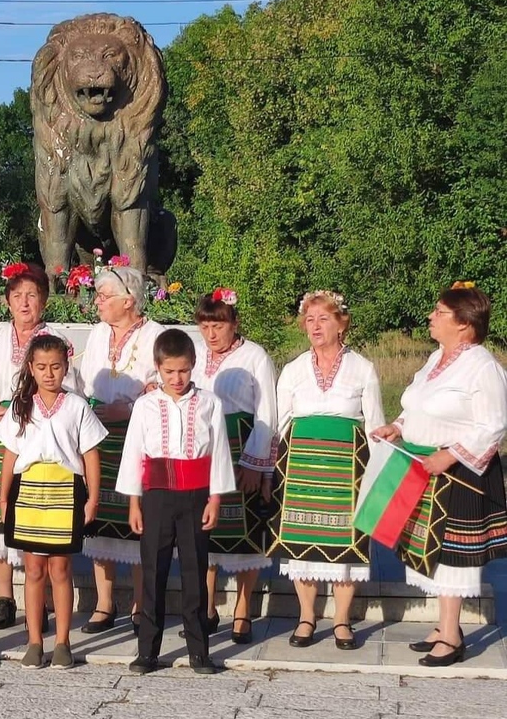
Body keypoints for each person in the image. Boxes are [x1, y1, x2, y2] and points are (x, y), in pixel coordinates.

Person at [371, 283, 507, 667]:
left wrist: (450, 455)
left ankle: (452, 635)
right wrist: (397, 427)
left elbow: (494, 424)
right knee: (428, 549)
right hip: (422, 468)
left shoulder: (483, 366)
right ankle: (445, 627)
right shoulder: (436, 359)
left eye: (440, 312)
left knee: (452, 555)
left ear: (464, 324)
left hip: (460, 474)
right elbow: (417, 406)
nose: (431, 317)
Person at [270, 290, 384, 650]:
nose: (315, 326)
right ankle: (307, 616)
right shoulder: (293, 369)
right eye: (309, 319)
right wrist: (269, 467)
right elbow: (279, 422)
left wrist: (377, 478)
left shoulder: (363, 368)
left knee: (346, 544)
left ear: (341, 323)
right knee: (301, 544)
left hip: (346, 467)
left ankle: (341, 620)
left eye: (323, 319)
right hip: (301, 465)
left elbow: (375, 424)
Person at [117, 328, 235, 675]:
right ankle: (147, 651)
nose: (177, 378)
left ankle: (199, 651)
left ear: (193, 365)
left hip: (196, 496)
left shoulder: (210, 403)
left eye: (183, 370)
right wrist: (134, 503)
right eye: (169, 371)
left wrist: (215, 498)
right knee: (153, 571)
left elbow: (219, 454)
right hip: (156, 496)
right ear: (158, 368)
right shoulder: (145, 405)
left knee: (195, 573)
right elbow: (134, 454)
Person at [0, 262, 79, 630]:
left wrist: (24, 407)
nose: (24, 302)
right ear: (7, 301)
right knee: (1, 512)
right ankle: (5, 596)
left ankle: (46, 601)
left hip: (39, 436)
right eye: (17, 296)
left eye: (32, 295)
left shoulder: (56, 340)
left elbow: (71, 386)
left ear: (44, 302)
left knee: (43, 519)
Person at [0, 335, 106, 669]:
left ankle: (62, 642)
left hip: (65, 491)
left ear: (65, 367)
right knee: (32, 568)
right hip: (29, 492)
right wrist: (3, 498)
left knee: (60, 567)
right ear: (31, 368)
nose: (48, 373)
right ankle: (33, 642)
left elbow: (90, 455)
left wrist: (93, 499)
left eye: (55, 366)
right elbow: (10, 455)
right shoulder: (21, 406)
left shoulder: (77, 406)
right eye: (41, 367)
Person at [78, 265, 165, 634]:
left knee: (138, 518)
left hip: (138, 436)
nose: (97, 301)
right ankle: (103, 602)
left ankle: (141, 604)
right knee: (99, 518)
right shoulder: (98, 334)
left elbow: (161, 384)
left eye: (104, 296)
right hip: (98, 435)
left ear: (128, 301)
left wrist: (128, 408)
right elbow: (82, 380)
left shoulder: (157, 334)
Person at [192, 289, 277, 644]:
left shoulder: (255, 356)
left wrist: (257, 464)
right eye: (206, 325)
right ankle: (206, 608)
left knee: (245, 534)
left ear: (234, 323)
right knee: (205, 529)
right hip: (204, 450)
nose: (211, 334)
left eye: (219, 325)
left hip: (241, 445)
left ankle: (243, 611)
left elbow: (268, 412)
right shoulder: (195, 355)